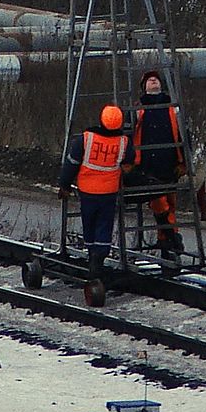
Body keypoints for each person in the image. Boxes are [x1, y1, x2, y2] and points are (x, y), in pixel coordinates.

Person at [58, 104, 134, 281]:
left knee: (89, 223)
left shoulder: (85, 139)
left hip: (88, 191)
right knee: (104, 225)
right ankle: (98, 259)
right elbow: (129, 164)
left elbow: (71, 164)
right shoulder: (124, 142)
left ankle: (92, 255)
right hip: (109, 192)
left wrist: (64, 185)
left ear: (101, 120)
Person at [127, 69, 186, 257]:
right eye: (149, 80)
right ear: (144, 87)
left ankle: (166, 244)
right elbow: (128, 135)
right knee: (159, 202)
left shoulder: (172, 108)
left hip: (169, 164)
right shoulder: (138, 109)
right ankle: (172, 237)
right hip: (147, 166)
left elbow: (184, 136)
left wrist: (184, 160)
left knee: (170, 203)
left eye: (156, 79)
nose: (154, 81)